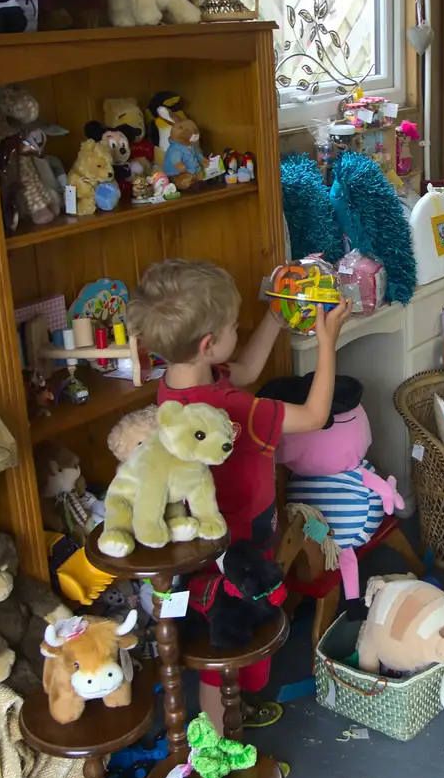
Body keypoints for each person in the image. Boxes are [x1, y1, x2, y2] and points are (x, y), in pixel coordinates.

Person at [133, 259, 351, 731]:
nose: (239, 328)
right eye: (234, 325)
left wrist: (275, 316)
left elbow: (246, 368)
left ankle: (229, 712)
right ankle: (218, 737)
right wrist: (327, 344)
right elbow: (314, 416)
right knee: (230, 634)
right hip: (242, 536)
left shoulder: (175, 388)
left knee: (221, 620)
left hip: (205, 532)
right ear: (209, 344)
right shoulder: (231, 408)